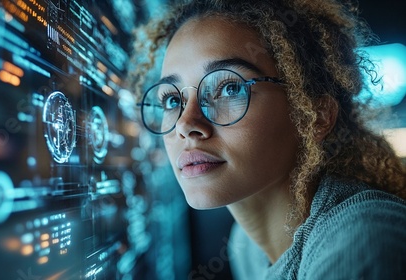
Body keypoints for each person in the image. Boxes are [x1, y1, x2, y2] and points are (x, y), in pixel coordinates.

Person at [129, 0, 406, 278]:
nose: (186, 124)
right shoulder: (246, 247)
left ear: (314, 116)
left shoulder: (362, 244)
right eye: (172, 99)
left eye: (230, 88)